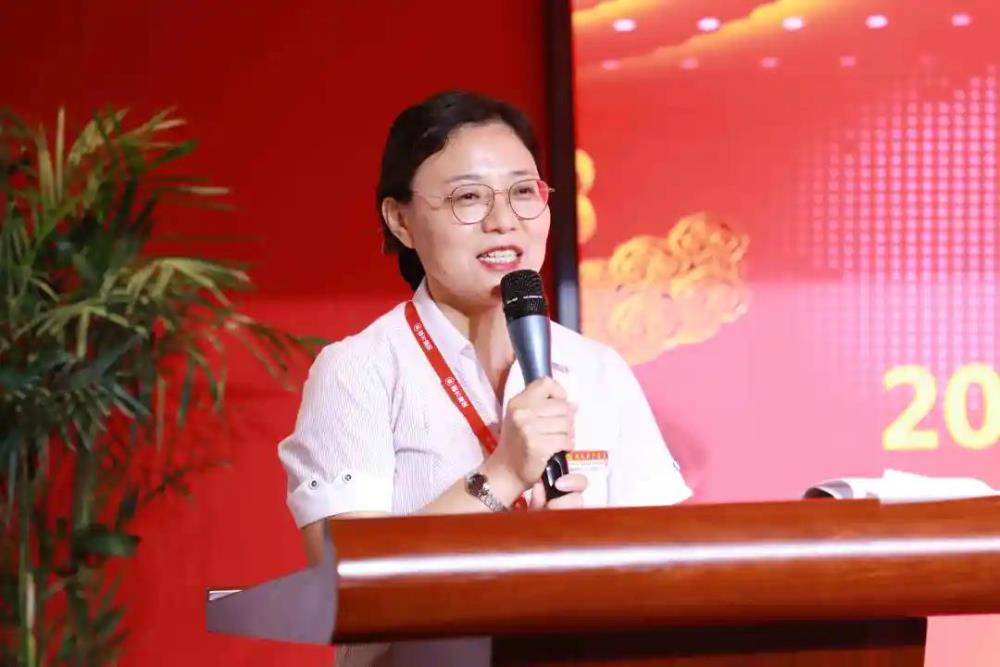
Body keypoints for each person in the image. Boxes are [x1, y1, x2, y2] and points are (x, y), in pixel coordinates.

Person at [277, 90, 691, 666]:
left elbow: (674, 564)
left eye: (523, 192)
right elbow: (343, 584)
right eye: (468, 197)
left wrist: (589, 546)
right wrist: (502, 475)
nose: (503, 221)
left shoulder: (597, 369)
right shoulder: (360, 369)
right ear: (400, 220)